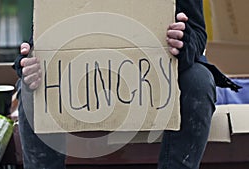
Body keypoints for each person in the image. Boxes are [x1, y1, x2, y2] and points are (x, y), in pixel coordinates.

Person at [13, 0, 241, 168]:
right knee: (31, 89)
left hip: (153, 73)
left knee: (200, 81)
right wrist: (29, 62)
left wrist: (183, 40)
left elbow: (197, 31)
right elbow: (42, 34)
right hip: (84, 72)